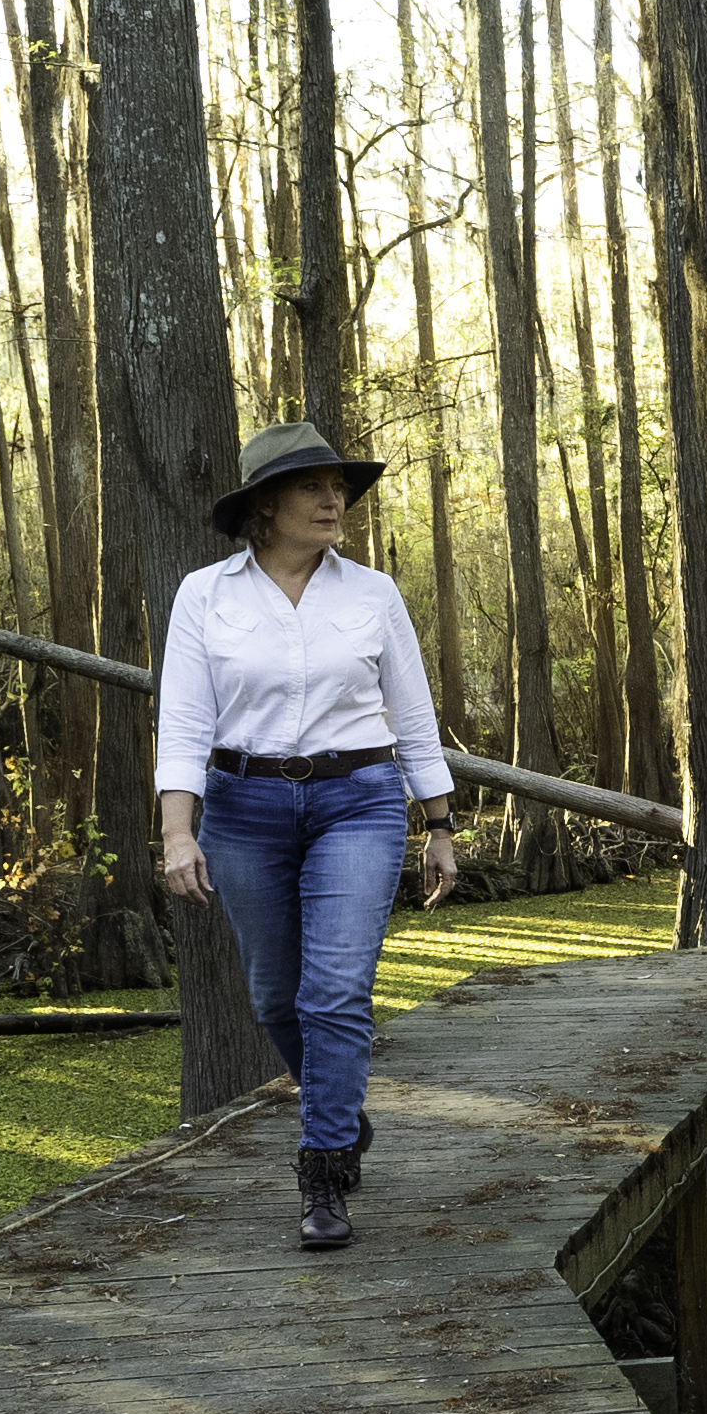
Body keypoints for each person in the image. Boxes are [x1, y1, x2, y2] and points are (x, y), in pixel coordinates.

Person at [153, 422, 463, 1248]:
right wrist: (178, 832)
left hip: (357, 801)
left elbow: (414, 714)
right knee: (273, 996)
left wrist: (439, 821)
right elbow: (183, 719)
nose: (333, 500)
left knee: (334, 991)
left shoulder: (373, 594)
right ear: (264, 505)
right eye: (311, 487)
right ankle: (340, 1107)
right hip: (243, 808)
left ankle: (324, 1170)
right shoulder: (205, 595)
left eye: (339, 487)